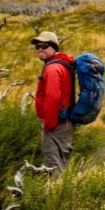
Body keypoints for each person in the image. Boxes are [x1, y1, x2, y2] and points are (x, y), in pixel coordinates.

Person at [32, 30, 75, 173]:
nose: (39, 49)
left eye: (44, 45)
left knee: (53, 166)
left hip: (56, 124)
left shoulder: (52, 69)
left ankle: (56, 194)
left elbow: (53, 97)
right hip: (64, 122)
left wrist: (49, 125)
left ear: (54, 46)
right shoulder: (61, 65)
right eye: (37, 46)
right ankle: (67, 192)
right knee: (62, 164)